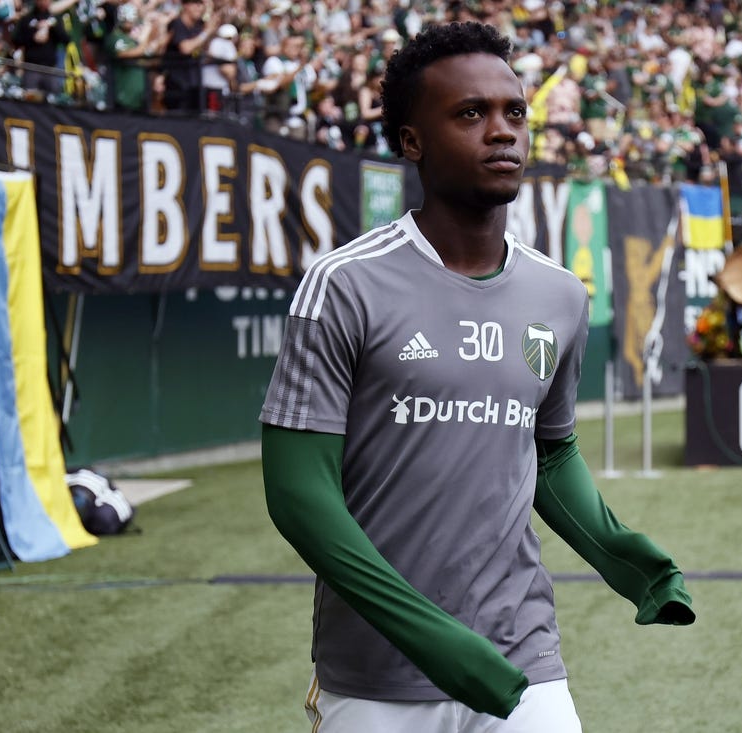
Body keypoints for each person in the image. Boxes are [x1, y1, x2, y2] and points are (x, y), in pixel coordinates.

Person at [260, 21, 694, 733]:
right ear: (410, 141)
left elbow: (549, 452)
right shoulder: (343, 285)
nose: (502, 132)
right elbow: (298, 493)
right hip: (374, 677)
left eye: (513, 113)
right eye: (470, 113)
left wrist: (620, 553)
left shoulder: (560, 294)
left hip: (521, 657)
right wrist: (430, 637)